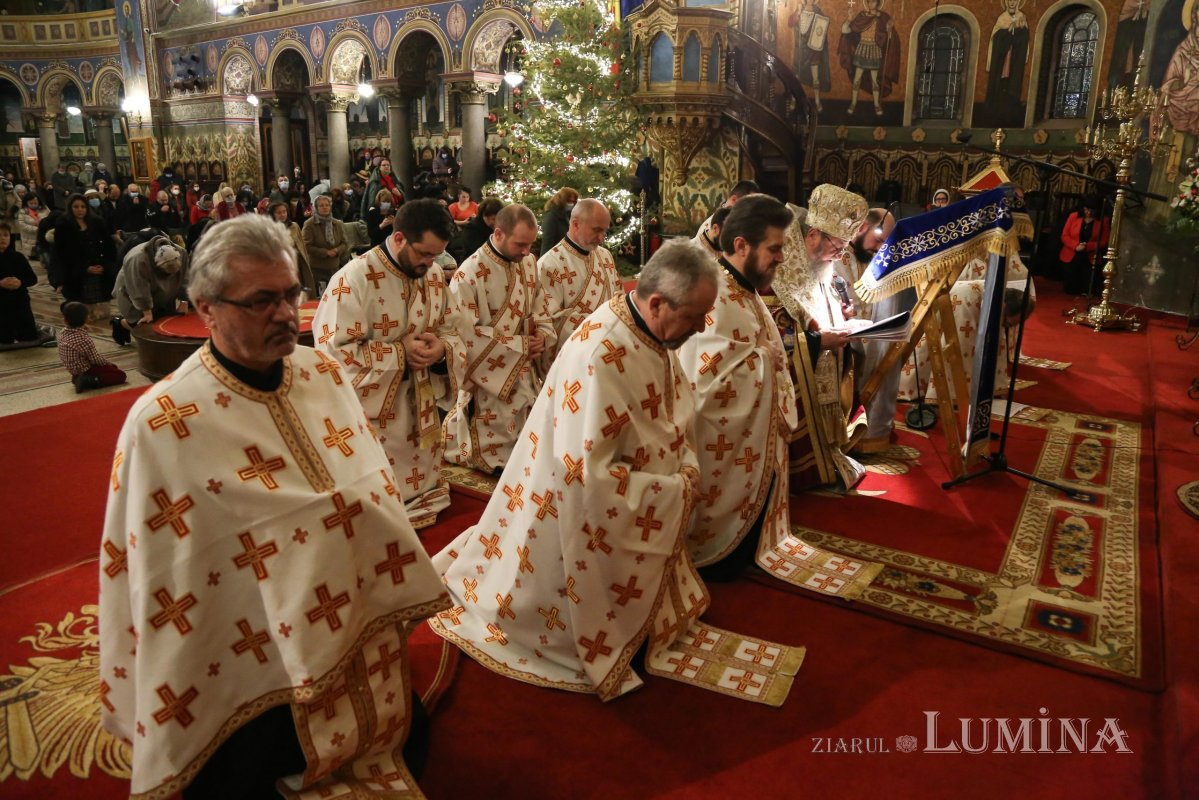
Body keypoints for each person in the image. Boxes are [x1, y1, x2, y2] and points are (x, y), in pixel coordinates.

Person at [99, 213, 449, 799]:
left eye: (291, 294)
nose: (288, 314)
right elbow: (169, 571)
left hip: (352, 608)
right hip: (252, 641)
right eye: (263, 301)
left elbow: (369, 479)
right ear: (206, 307)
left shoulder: (322, 373)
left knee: (407, 734)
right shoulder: (166, 420)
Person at [429, 239, 804, 704]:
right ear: (656, 302)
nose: (702, 326)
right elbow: (589, 476)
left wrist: (681, 460)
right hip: (570, 518)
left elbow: (671, 409)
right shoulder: (601, 356)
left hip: (640, 485)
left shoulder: (650, 330)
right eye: (694, 316)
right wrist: (671, 488)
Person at [678, 195, 801, 582]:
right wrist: (763, 359)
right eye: (775, 248)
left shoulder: (744, 289)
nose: (781, 257)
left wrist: (764, 356)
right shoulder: (715, 294)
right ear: (740, 246)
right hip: (719, 447)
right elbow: (704, 384)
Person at [314, 199, 457, 529]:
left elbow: (453, 327)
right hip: (372, 411)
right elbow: (332, 355)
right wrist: (399, 354)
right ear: (399, 238)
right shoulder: (354, 280)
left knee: (422, 486)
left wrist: (442, 349)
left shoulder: (433, 274)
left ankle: (419, 495)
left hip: (420, 404)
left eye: (436, 255)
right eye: (423, 253)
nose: (429, 263)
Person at [764, 184, 870, 492]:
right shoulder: (778, 276)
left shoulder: (824, 266)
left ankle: (829, 453)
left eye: (845, 247)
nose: (840, 255)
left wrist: (843, 312)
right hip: (795, 377)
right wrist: (817, 343)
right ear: (813, 236)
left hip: (825, 361)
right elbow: (773, 337)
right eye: (838, 246)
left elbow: (825, 301)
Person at [442, 203, 555, 474]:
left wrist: (541, 332)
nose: (527, 251)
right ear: (499, 233)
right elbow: (464, 335)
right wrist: (520, 346)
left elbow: (539, 305)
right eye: (520, 244)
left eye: (530, 244)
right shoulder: (468, 274)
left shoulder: (527, 262)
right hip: (490, 379)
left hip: (525, 368)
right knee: (499, 454)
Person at [833, 207, 904, 454]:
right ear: (862, 227)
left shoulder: (871, 257)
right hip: (843, 339)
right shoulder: (836, 257)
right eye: (879, 239)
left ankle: (871, 428)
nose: (880, 248)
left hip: (867, 337)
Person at [537, 197, 622, 367]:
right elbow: (549, 321)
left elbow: (618, 298)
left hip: (609, 350)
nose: (601, 237)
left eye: (604, 231)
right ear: (575, 224)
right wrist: (600, 329)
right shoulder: (550, 264)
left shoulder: (605, 256)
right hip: (574, 358)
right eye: (596, 230)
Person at [110, 235, 189, 345]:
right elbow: (139, 288)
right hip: (132, 286)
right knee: (143, 323)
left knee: (165, 320)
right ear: (157, 263)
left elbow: (185, 279)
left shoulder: (182, 253)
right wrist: (146, 311)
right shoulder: (138, 259)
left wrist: (184, 301)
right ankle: (120, 324)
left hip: (165, 289)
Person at [52, 193, 117, 315]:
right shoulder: (63, 225)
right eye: (76, 207)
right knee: (82, 312)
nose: (80, 210)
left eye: (83, 206)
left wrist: (104, 264)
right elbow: (63, 253)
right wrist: (85, 268)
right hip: (77, 270)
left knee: (102, 308)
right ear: (70, 208)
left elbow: (108, 246)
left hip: (99, 266)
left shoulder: (97, 222)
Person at [838, 0, 900, 116]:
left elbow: (888, 36)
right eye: (869, 2)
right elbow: (848, 30)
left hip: (874, 50)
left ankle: (876, 105)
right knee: (857, 80)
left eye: (874, 2)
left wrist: (889, 29)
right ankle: (853, 103)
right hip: (862, 49)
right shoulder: (862, 16)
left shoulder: (882, 17)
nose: (871, 4)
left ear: (878, 3)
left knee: (874, 81)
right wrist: (849, 19)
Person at [58, 301, 126, 392]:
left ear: (65, 320)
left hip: (73, 369)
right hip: (86, 369)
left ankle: (78, 377)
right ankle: (87, 381)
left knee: (111, 369)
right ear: (87, 318)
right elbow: (95, 359)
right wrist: (109, 364)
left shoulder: (62, 332)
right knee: (120, 375)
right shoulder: (83, 339)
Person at [1060, 197, 1110, 296]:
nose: (1089, 212)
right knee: (1070, 290)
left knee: (1086, 290)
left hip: (1090, 257)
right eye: (1087, 209)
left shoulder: (1103, 220)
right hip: (1072, 254)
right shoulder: (1073, 216)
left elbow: (1104, 241)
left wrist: (1087, 246)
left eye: (1092, 210)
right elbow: (1064, 236)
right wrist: (1076, 246)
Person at [0, 222, 41, 344]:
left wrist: (20, 283)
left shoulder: (18, 257)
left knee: (29, 336)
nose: (2, 238)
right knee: (4, 339)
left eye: (5, 235)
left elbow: (32, 278)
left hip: (19, 299)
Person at [268, 200, 315, 294]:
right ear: (273, 215)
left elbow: (302, 247)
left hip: (296, 264)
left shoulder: (294, 226)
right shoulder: (269, 229)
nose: (282, 214)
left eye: (284, 211)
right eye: (279, 212)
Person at [303, 194, 349, 289]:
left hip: (334, 267)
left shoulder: (337, 223)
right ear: (316, 208)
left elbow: (345, 243)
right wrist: (325, 252)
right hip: (317, 269)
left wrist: (337, 250)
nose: (325, 207)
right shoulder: (309, 224)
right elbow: (306, 246)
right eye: (321, 205)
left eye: (327, 205)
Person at [695, 180, 760, 241]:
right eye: (748, 203)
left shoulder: (741, 221)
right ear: (734, 199)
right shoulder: (712, 226)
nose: (751, 209)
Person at [449, 197, 502, 265]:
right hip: (473, 263)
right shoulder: (472, 228)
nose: (496, 222)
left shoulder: (497, 225)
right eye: (493, 219)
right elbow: (480, 252)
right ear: (485, 216)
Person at [539, 187, 578, 254]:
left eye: (573, 201)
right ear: (562, 200)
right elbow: (547, 243)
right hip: (555, 256)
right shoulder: (551, 217)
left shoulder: (571, 215)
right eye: (569, 201)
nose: (571, 204)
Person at [16, 193, 46, 261]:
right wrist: (37, 229)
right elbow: (22, 225)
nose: (33, 204)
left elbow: (50, 218)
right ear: (26, 203)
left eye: (35, 202)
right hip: (29, 239)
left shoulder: (45, 209)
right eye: (31, 203)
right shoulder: (22, 212)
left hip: (43, 237)